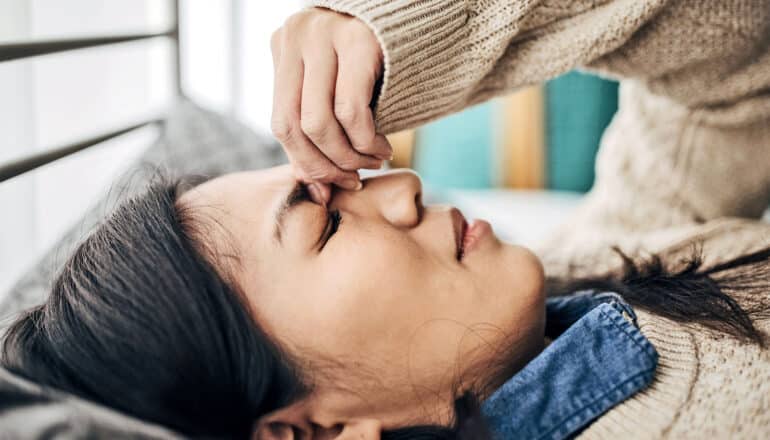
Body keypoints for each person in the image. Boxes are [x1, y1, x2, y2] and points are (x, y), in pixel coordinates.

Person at [1, 165, 768, 439]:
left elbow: (725, 93)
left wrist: (394, 32)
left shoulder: (575, 277)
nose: (402, 188)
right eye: (328, 223)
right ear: (313, 431)